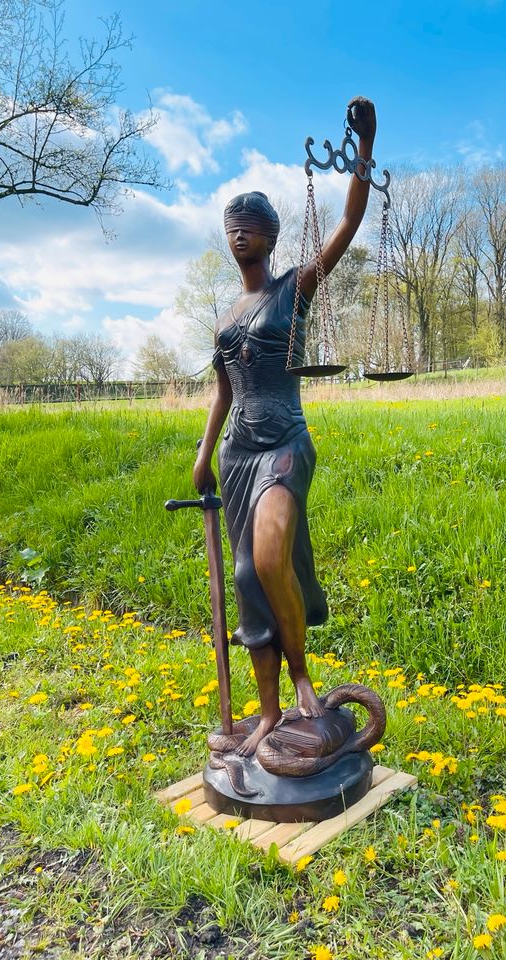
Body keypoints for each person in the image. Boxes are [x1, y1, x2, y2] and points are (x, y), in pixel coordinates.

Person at [193, 97, 377, 756]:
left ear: (271, 235)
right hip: (240, 455)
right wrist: (203, 455)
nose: (238, 234)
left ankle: (303, 679)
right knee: (246, 577)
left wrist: (366, 147)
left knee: (271, 559)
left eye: (249, 226)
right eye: (230, 226)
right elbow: (221, 394)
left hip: (284, 446)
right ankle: (268, 713)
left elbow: (351, 219)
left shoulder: (294, 288)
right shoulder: (225, 319)